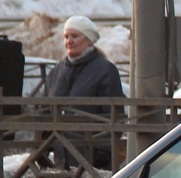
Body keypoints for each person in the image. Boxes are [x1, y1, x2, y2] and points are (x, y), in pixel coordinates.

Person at [40, 15, 124, 169]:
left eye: (75, 36)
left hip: (93, 162)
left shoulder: (105, 70)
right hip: (61, 160)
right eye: (66, 37)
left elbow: (115, 115)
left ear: (89, 39)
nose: (69, 41)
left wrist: (101, 152)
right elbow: (44, 113)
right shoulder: (56, 72)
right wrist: (43, 149)